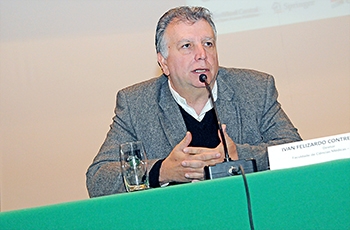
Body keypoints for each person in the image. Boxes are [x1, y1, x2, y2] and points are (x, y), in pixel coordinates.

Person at [86, 6, 302, 197]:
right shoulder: (136, 104)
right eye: (187, 46)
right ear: (163, 62)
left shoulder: (255, 88)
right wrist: (163, 171)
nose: (202, 54)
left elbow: (295, 152)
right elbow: (98, 179)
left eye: (208, 44)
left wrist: (239, 157)